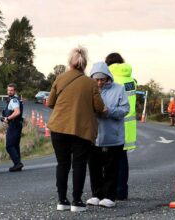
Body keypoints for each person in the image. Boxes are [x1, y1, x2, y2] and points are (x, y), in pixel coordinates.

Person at [47, 46, 105, 212]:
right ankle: (76, 201)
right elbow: (99, 107)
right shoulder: (91, 83)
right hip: (81, 130)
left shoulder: (60, 78)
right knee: (78, 164)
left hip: (58, 128)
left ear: (70, 63)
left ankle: (62, 201)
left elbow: (50, 103)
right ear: (84, 64)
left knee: (62, 164)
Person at [86, 62, 130, 208]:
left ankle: (110, 196)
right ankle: (96, 195)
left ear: (108, 78)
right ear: (91, 78)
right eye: (96, 79)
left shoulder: (119, 89)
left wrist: (108, 111)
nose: (99, 82)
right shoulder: (87, 89)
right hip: (93, 136)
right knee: (94, 167)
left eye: (102, 79)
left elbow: (125, 109)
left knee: (112, 168)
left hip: (113, 137)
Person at [105, 52, 137, 200]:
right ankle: (122, 191)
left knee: (110, 159)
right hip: (129, 125)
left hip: (114, 123)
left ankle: (110, 191)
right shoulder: (131, 80)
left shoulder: (111, 80)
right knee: (122, 159)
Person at [2, 83, 24, 172]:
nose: (9, 92)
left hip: (14, 125)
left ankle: (18, 163)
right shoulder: (13, 99)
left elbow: (17, 112)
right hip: (16, 124)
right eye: (8, 90)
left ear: (14, 91)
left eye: (11, 90)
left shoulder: (14, 100)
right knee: (15, 145)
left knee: (9, 146)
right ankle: (17, 164)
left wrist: (8, 118)